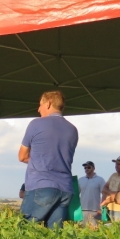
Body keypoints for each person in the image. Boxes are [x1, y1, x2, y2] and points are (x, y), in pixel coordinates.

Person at [18, 90, 78, 229]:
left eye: (40, 105)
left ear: (49, 104)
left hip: (41, 186)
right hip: (65, 189)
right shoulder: (72, 129)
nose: (38, 109)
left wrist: (37, 159)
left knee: (24, 234)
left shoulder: (36, 124)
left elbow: (22, 156)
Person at [78, 161, 105, 227]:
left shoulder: (100, 180)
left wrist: (101, 208)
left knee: (94, 231)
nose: (86, 169)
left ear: (93, 168)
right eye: (85, 168)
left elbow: (104, 194)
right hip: (82, 210)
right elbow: (76, 194)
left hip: (95, 211)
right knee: (81, 230)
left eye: (89, 167)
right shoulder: (80, 180)